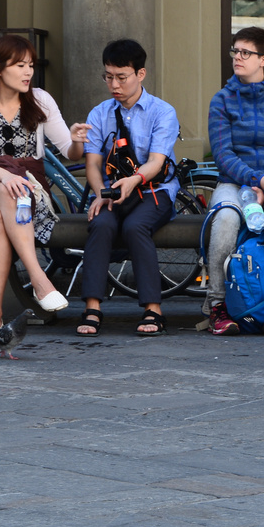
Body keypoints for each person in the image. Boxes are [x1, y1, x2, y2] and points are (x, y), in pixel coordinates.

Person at [0, 34, 88, 337]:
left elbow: (70, 151)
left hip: (30, 193)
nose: (28, 71)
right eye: (19, 65)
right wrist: (4, 176)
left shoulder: (40, 99)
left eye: (30, 65)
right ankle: (40, 280)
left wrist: (78, 142)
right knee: (4, 193)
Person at [75, 39, 180, 338]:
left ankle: (153, 309)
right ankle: (92, 307)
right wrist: (99, 194)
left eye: (121, 77)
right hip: (113, 191)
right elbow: (93, 164)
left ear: (140, 74)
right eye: (108, 76)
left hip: (153, 191)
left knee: (135, 227)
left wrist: (134, 180)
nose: (114, 85)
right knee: (101, 223)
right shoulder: (100, 113)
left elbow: (158, 163)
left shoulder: (163, 112)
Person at [205, 27, 264, 336]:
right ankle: (217, 306)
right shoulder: (221, 100)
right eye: (235, 51)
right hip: (234, 182)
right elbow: (222, 153)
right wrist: (253, 180)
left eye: (245, 53)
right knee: (224, 219)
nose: (237, 57)